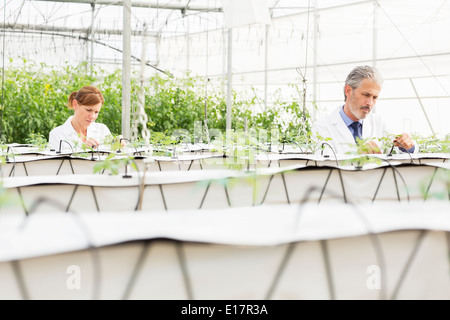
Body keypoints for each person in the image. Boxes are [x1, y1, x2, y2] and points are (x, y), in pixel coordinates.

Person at [311, 65, 417, 155]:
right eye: (366, 95)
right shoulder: (322, 128)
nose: (370, 103)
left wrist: (406, 146)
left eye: (374, 97)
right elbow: (325, 167)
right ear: (348, 91)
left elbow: (398, 152)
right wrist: (357, 155)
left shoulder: (378, 122)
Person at [49, 85, 112, 151]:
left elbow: (112, 158)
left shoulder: (102, 130)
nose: (92, 117)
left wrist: (118, 145)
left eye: (96, 112)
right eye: (88, 110)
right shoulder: (57, 134)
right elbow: (57, 161)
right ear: (75, 104)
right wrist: (82, 149)